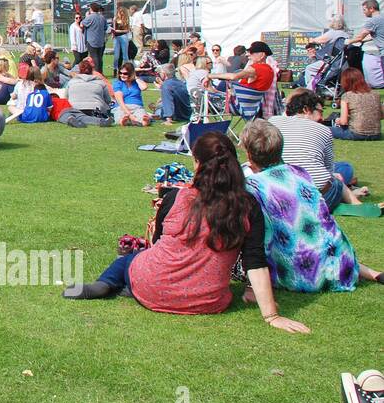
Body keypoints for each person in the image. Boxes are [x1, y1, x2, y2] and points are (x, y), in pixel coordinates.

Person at [64, 132, 310, 334]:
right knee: (145, 262)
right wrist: (272, 316)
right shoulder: (248, 207)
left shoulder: (176, 197)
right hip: (207, 301)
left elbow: (158, 243)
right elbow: (254, 262)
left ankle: (106, 283)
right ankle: (131, 287)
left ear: (198, 163)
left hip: (153, 282)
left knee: (130, 259)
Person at [240, 120, 381, 292]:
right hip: (342, 267)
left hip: (304, 276)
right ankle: (372, 273)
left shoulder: (252, 186)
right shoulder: (300, 173)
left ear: (249, 154)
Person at [270, 90, 365, 209]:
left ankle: (350, 195)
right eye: (320, 112)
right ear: (306, 110)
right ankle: (354, 201)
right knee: (344, 170)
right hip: (317, 197)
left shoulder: (273, 121)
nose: (322, 117)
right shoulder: (324, 130)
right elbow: (329, 171)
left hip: (278, 191)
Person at [58, 58, 113, 127]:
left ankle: (71, 119)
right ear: (92, 70)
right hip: (96, 109)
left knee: (63, 114)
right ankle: (100, 121)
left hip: (76, 109)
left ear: (80, 70)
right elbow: (108, 100)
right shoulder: (101, 83)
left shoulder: (71, 82)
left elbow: (65, 99)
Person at [332, 68, 381, 140]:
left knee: (325, 129)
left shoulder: (347, 96)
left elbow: (343, 122)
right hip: (376, 134)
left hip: (356, 134)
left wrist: (338, 120)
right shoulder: (376, 94)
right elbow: (381, 115)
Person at [111, 61, 152, 126]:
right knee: (121, 116)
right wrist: (129, 114)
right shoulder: (117, 83)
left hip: (137, 107)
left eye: (125, 73)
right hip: (122, 107)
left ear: (131, 73)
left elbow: (144, 87)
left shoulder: (136, 83)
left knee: (142, 115)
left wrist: (135, 78)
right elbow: (119, 100)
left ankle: (142, 121)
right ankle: (127, 121)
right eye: (120, 73)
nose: (122, 75)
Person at [81, 4, 108, 72]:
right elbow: (105, 27)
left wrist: (87, 16)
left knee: (94, 57)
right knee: (99, 57)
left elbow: (82, 24)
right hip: (101, 41)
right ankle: (100, 72)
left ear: (91, 9)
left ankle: (96, 72)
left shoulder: (90, 17)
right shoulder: (102, 17)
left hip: (91, 41)